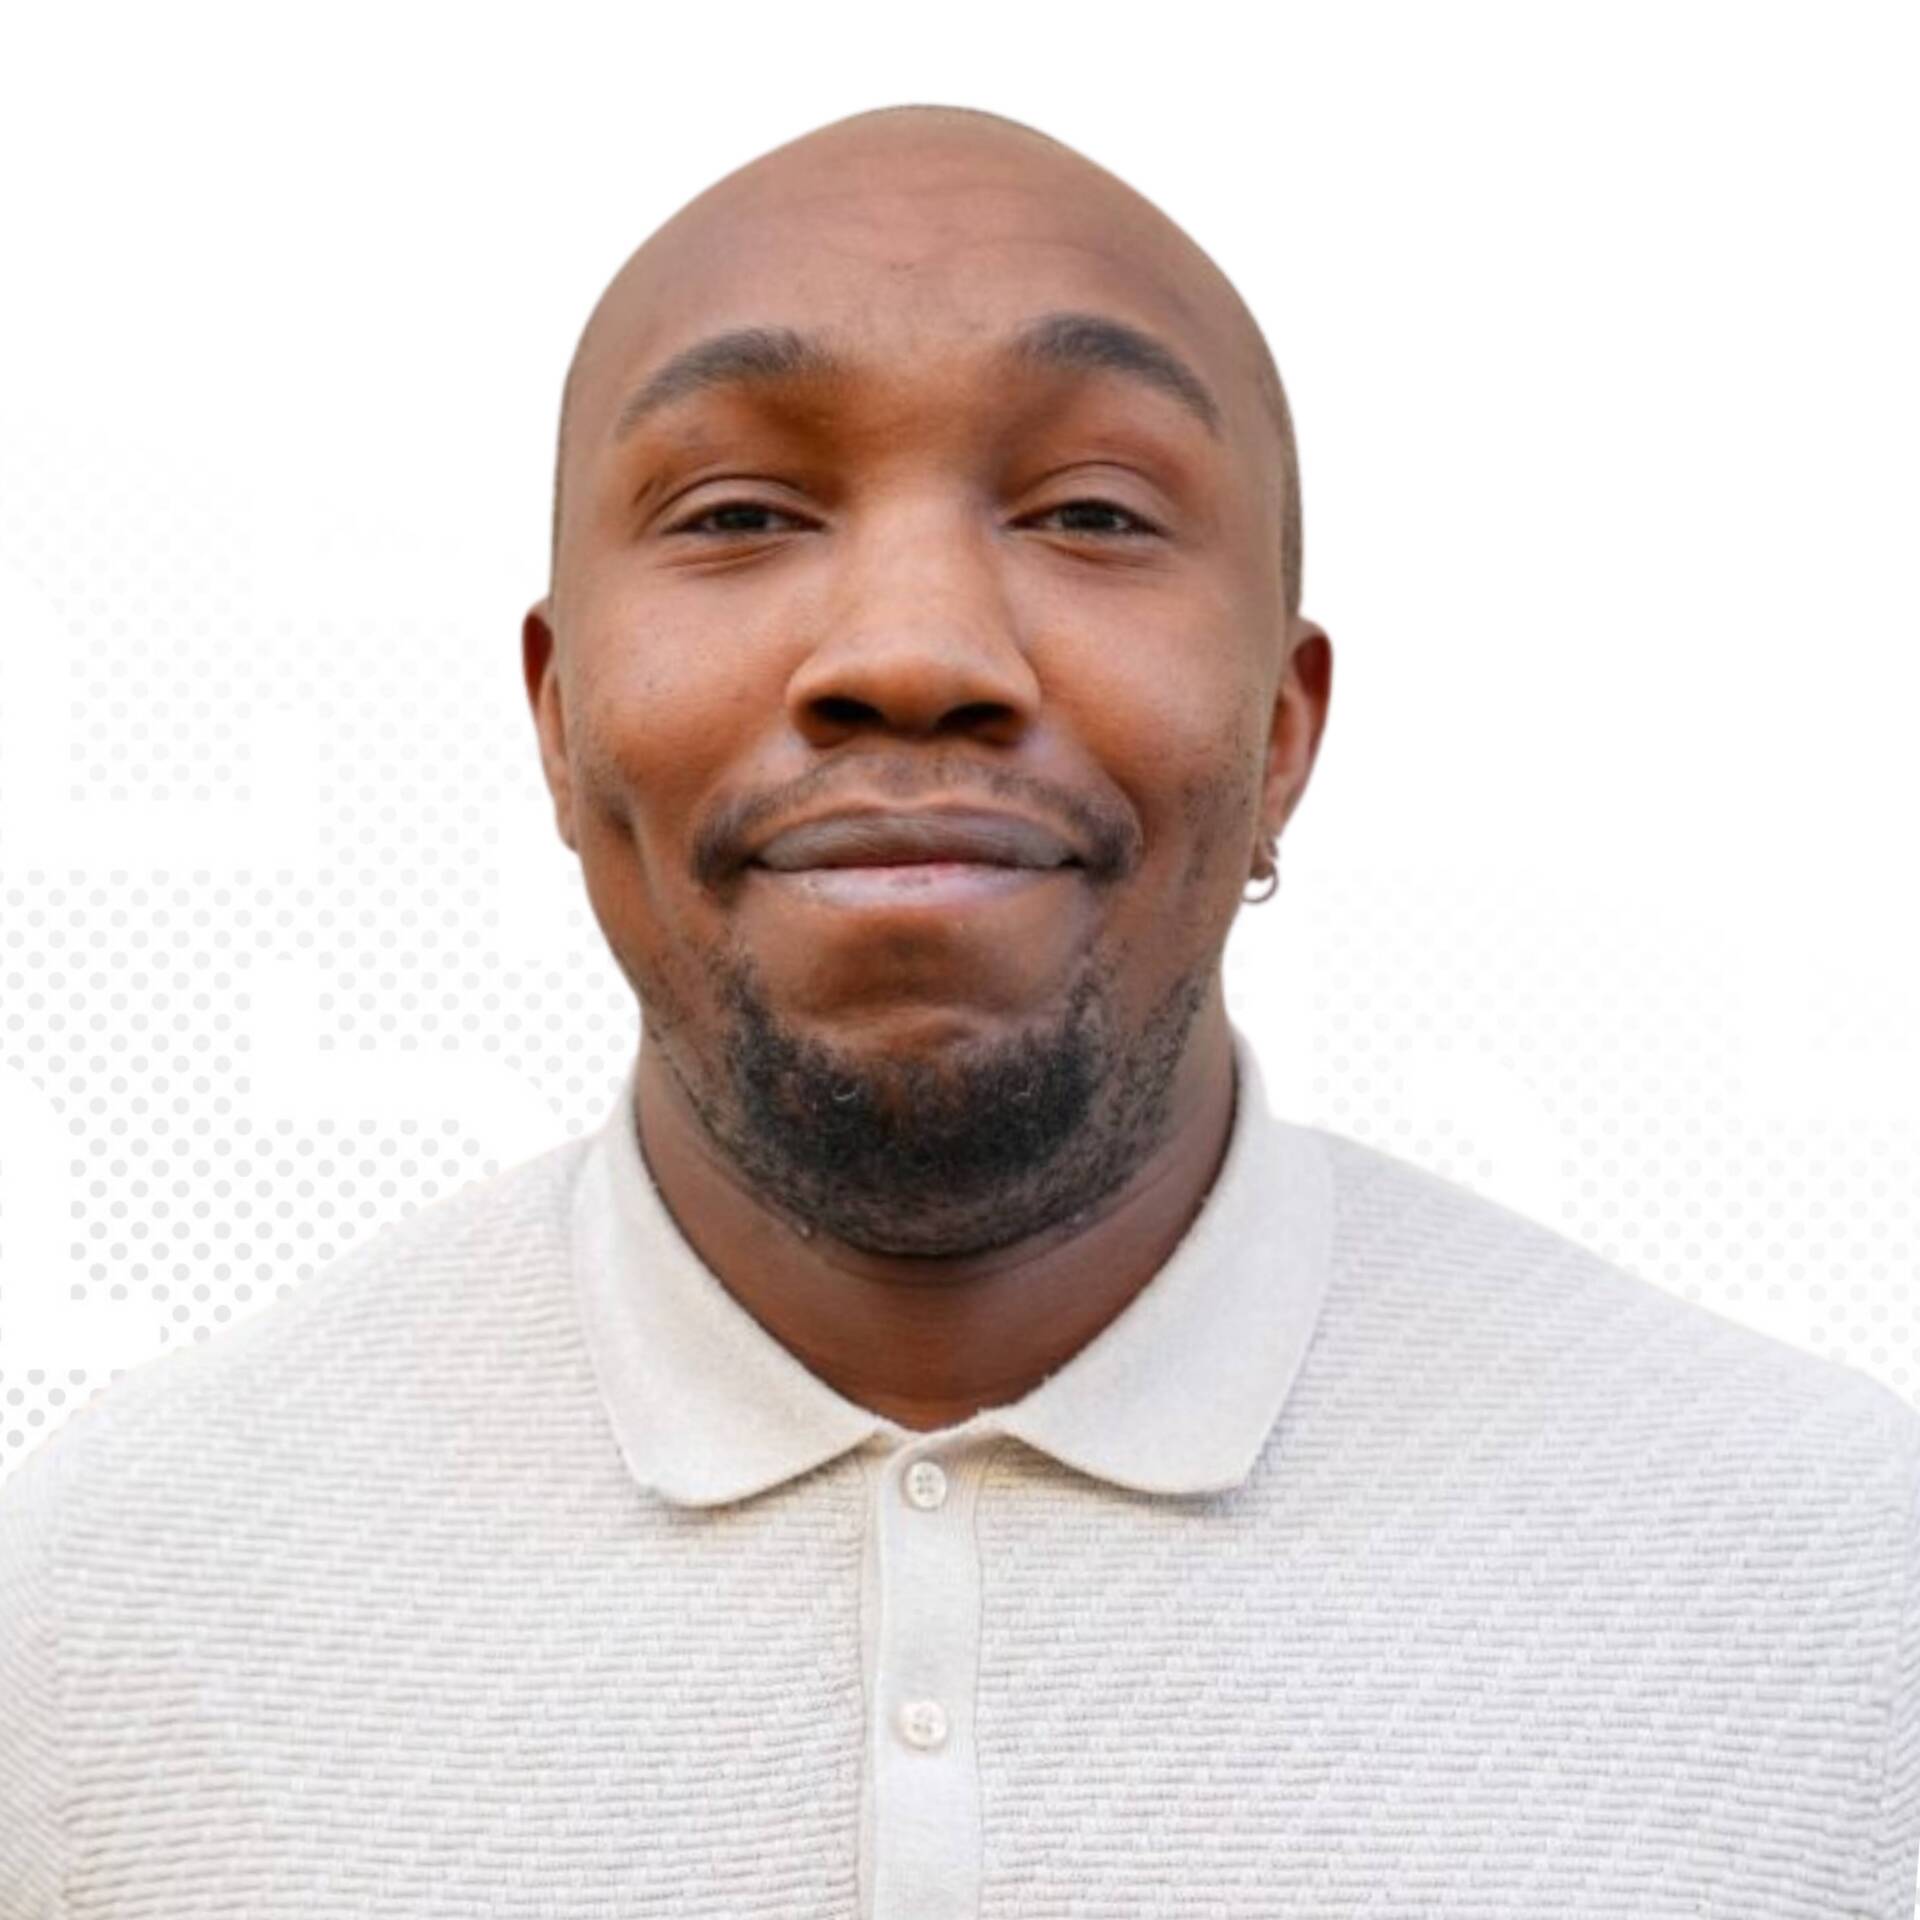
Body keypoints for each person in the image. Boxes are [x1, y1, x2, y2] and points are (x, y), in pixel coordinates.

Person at [3, 102, 1917, 1920]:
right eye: (739, 512)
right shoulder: (93, 1610)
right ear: (557, 716)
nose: (914, 653)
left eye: (1091, 513)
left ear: (1280, 732)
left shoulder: (1844, 1597)